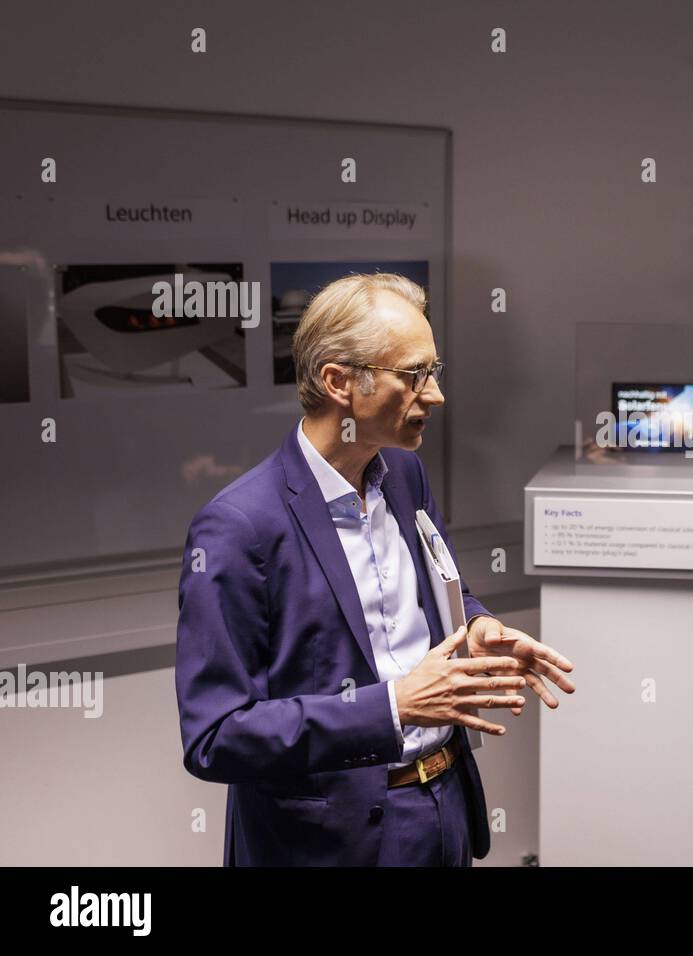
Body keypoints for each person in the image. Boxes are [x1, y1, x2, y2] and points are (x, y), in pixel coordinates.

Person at [175, 272, 575, 866]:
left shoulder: (404, 475)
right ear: (339, 381)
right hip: (328, 843)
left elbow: (443, 588)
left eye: (433, 372)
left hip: (444, 808)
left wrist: (479, 627)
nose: (435, 395)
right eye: (414, 375)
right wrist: (393, 707)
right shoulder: (238, 527)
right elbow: (217, 737)